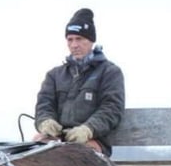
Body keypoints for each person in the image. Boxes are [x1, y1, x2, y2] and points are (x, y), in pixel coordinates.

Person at [34, 8, 125, 157]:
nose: (74, 45)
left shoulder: (109, 72)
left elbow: (111, 108)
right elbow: (44, 104)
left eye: (79, 39)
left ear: (91, 41)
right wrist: (45, 121)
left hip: (93, 140)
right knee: (31, 157)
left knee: (76, 157)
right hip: (56, 139)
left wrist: (88, 129)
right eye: (70, 39)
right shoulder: (54, 75)